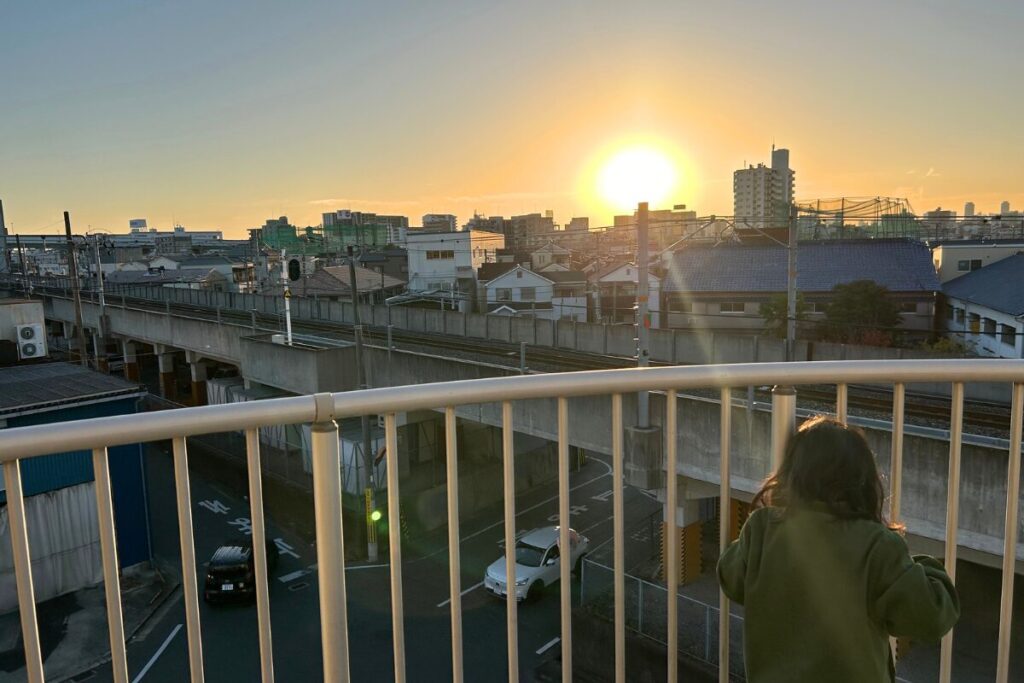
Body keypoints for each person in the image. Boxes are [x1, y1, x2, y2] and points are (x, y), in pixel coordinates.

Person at [717, 415, 959, 682]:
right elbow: (932, 617)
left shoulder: (762, 529)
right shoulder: (877, 545)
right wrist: (920, 564)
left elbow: (730, 578)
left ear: (791, 476)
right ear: (863, 481)